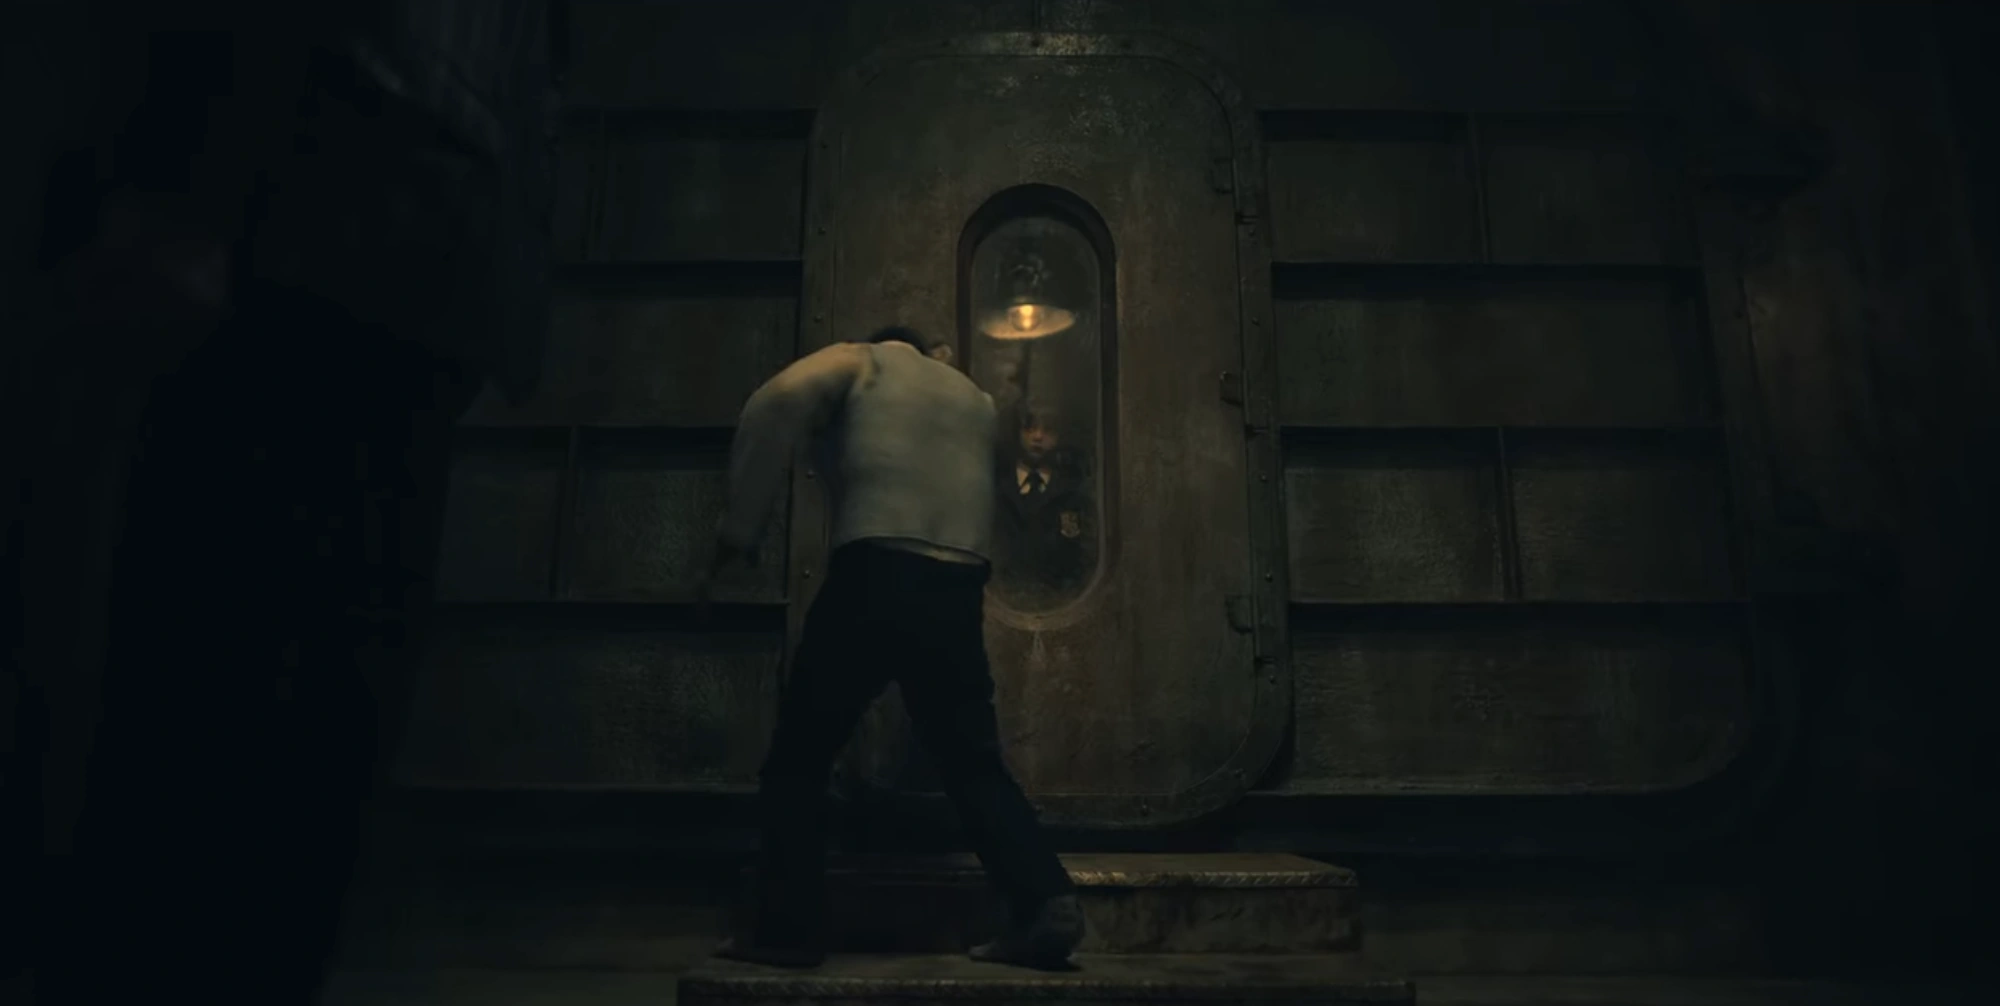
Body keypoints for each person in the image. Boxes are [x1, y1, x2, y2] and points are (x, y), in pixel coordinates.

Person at [700, 326, 1084, 971]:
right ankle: (1047, 901)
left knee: (800, 756)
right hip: (958, 580)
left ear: (883, 343)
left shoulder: (864, 362)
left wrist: (739, 531)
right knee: (972, 762)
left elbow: (776, 399)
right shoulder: (974, 398)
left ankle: (786, 930)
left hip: (876, 569)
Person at [992, 405, 1096, 602]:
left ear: (1060, 437)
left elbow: (1082, 556)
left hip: (1059, 597)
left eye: (1048, 430)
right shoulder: (996, 487)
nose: (1038, 437)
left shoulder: (1072, 492)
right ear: (1017, 433)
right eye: (1029, 428)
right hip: (1004, 595)